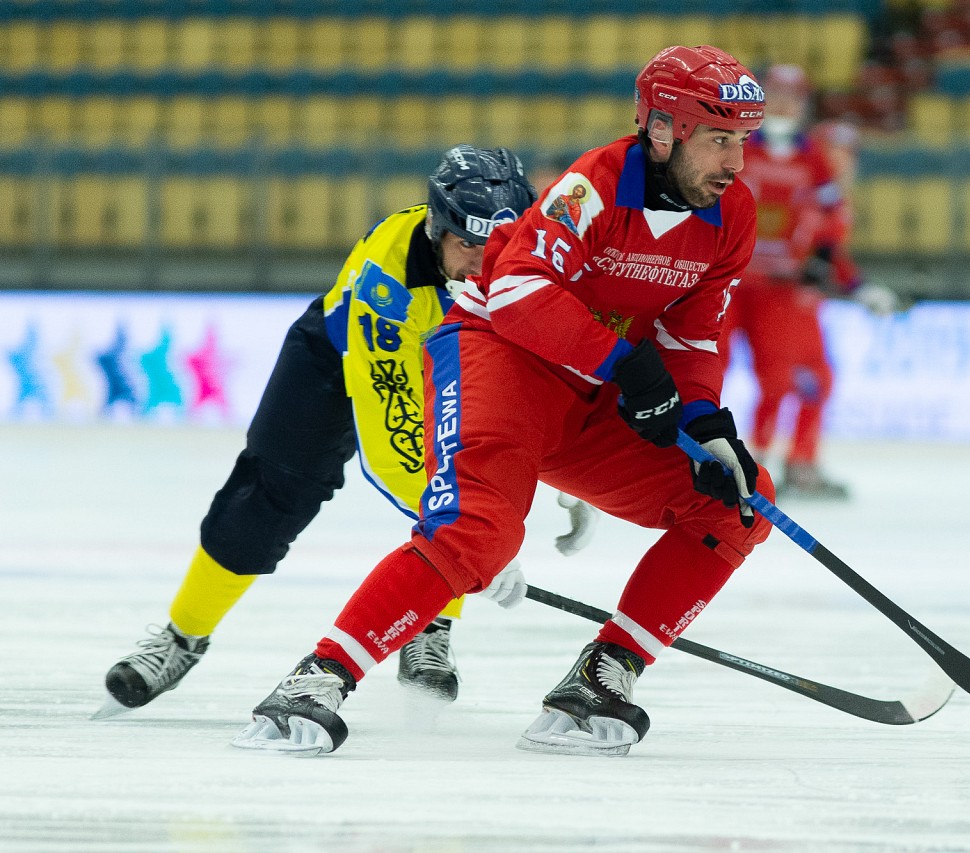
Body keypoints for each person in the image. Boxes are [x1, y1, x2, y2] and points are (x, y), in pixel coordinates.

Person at [231, 44, 776, 758]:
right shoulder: (595, 186)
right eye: (718, 139)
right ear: (664, 129)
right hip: (500, 358)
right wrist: (629, 367)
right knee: (479, 533)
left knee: (741, 498)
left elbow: (693, 334)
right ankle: (315, 680)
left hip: (590, 390)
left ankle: (600, 678)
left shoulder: (730, 215)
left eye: (741, 141)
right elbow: (518, 295)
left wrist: (703, 419)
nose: (735, 162)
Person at [97, 145, 598, 716]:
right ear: (437, 230)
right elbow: (394, 451)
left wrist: (571, 475)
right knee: (268, 497)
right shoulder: (390, 281)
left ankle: (430, 622)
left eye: (497, 248)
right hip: (339, 359)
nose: (484, 267)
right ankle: (182, 636)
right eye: (468, 246)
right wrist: (479, 542)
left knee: (470, 470)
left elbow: (561, 366)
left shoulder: (540, 261)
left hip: (459, 358)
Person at [725, 64, 899, 501]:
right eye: (776, 93)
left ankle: (768, 464)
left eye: (793, 95)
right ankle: (746, 462)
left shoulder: (812, 160)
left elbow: (826, 235)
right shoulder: (735, 146)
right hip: (726, 283)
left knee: (789, 380)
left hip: (782, 290)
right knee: (706, 373)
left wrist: (852, 282)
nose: (784, 103)